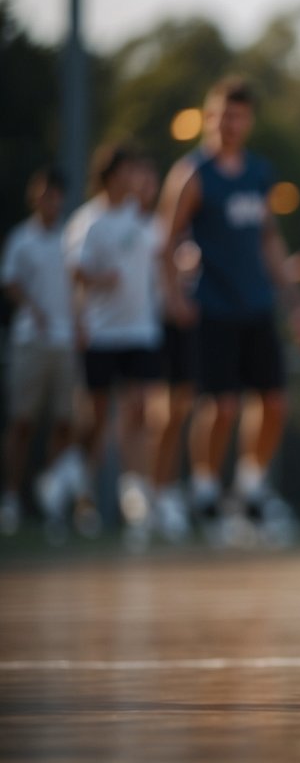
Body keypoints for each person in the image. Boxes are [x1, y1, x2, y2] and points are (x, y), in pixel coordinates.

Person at [158, 76, 300, 540]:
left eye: (239, 115)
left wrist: (296, 302)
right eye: (223, 114)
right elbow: (165, 241)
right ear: (210, 117)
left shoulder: (258, 173)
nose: (230, 123)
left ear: (248, 121)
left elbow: (269, 240)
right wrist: (174, 296)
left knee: (274, 401)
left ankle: (249, 491)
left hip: (257, 304)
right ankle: (206, 493)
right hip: (212, 305)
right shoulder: (193, 173)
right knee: (221, 405)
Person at [70, 143, 164, 547]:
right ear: (110, 176)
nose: (135, 179)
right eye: (127, 172)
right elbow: (75, 274)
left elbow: (166, 254)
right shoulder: (88, 221)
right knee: (97, 417)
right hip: (102, 333)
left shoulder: (142, 220)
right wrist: (94, 288)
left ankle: (136, 494)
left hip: (140, 331)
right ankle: (81, 494)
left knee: (139, 407)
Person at [0, 167, 82, 539]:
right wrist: (33, 307)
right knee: (22, 423)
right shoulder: (22, 239)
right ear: (36, 197)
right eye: (46, 194)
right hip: (31, 341)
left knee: (64, 424)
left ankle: (53, 500)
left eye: (57, 195)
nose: (52, 201)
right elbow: (10, 281)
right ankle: (12, 497)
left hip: (65, 343)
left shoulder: (71, 237)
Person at [138, 154, 194, 544]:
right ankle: (144, 495)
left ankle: (164, 492)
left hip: (184, 329)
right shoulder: (144, 231)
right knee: (152, 415)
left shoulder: (187, 234)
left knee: (178, 413)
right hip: (150, 328)